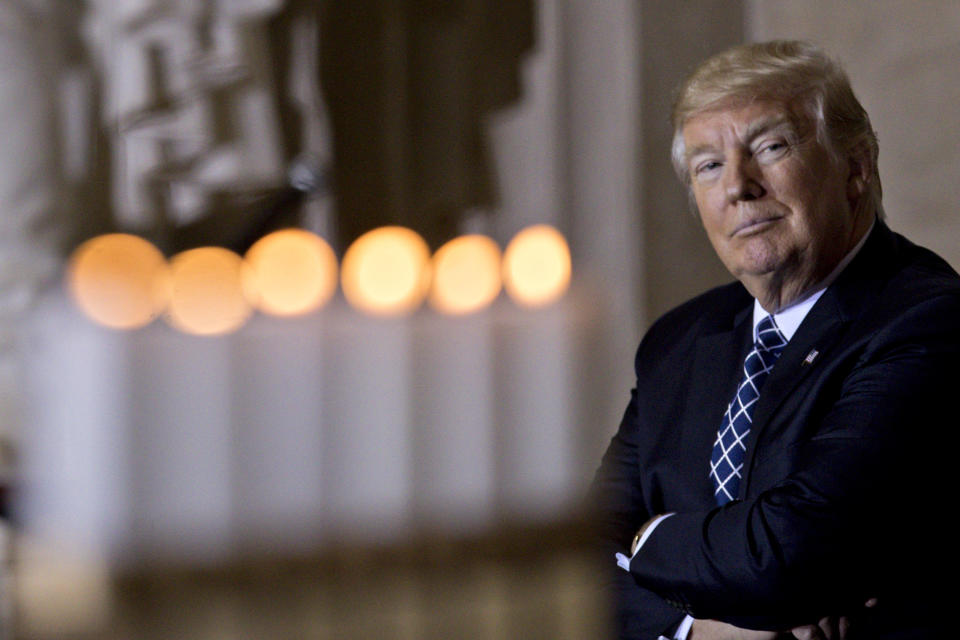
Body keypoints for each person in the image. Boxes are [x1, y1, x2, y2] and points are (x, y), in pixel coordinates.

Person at [591, 40, 960, 640]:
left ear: (856, 167)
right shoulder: (679, 341)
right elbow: (583, 562)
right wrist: (701, 630)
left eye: (770, 147)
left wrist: (646, 537)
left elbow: (792, 548)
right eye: (710, 165)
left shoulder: (927, 319)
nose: (739, 185)